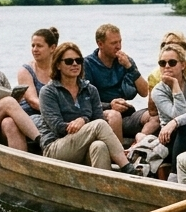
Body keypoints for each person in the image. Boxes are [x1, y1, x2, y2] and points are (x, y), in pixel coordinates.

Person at [39, 42, 133, 172]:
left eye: (78, 60)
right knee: (99, 125)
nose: (75, 64)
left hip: (83, 148)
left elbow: (98, 117)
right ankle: (127, 166)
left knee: (99, 146)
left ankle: (102, 189)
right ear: (58, 65)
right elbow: (57, 127)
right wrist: (84, 121)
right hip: (56, 148)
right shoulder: (48, 92)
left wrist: (83, 120)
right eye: (69, 61)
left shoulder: (90, 90)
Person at [84, 23, 157, 144]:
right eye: (113, 43)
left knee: (155, 116)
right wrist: (110, 105)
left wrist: (129, 67)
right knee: (114, 116)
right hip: (102, 114)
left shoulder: (125, 61)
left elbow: (144, 92)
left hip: (126, 114)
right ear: (100, 44)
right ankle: (120, 158)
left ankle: (135, 147)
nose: (118, 47)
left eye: (120, 42)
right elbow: (85, 100)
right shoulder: (87, 64)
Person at [150, 43, 186, 166]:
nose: (167, 66)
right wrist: (175, 85)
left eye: (172, 62)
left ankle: (176, 175)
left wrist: (174, 122)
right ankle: (174, 175)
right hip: (169, 138)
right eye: (162, 63)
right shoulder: (158, 91)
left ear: (183, 65)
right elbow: (179, 113)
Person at [16, 26, 58, 116]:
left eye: (39, 46)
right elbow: (33, 101)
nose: (35, 49)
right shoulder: (26, 70)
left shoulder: (60, 68)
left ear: (52, 48)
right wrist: (55, 112)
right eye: (33, 45)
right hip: (31, 115)